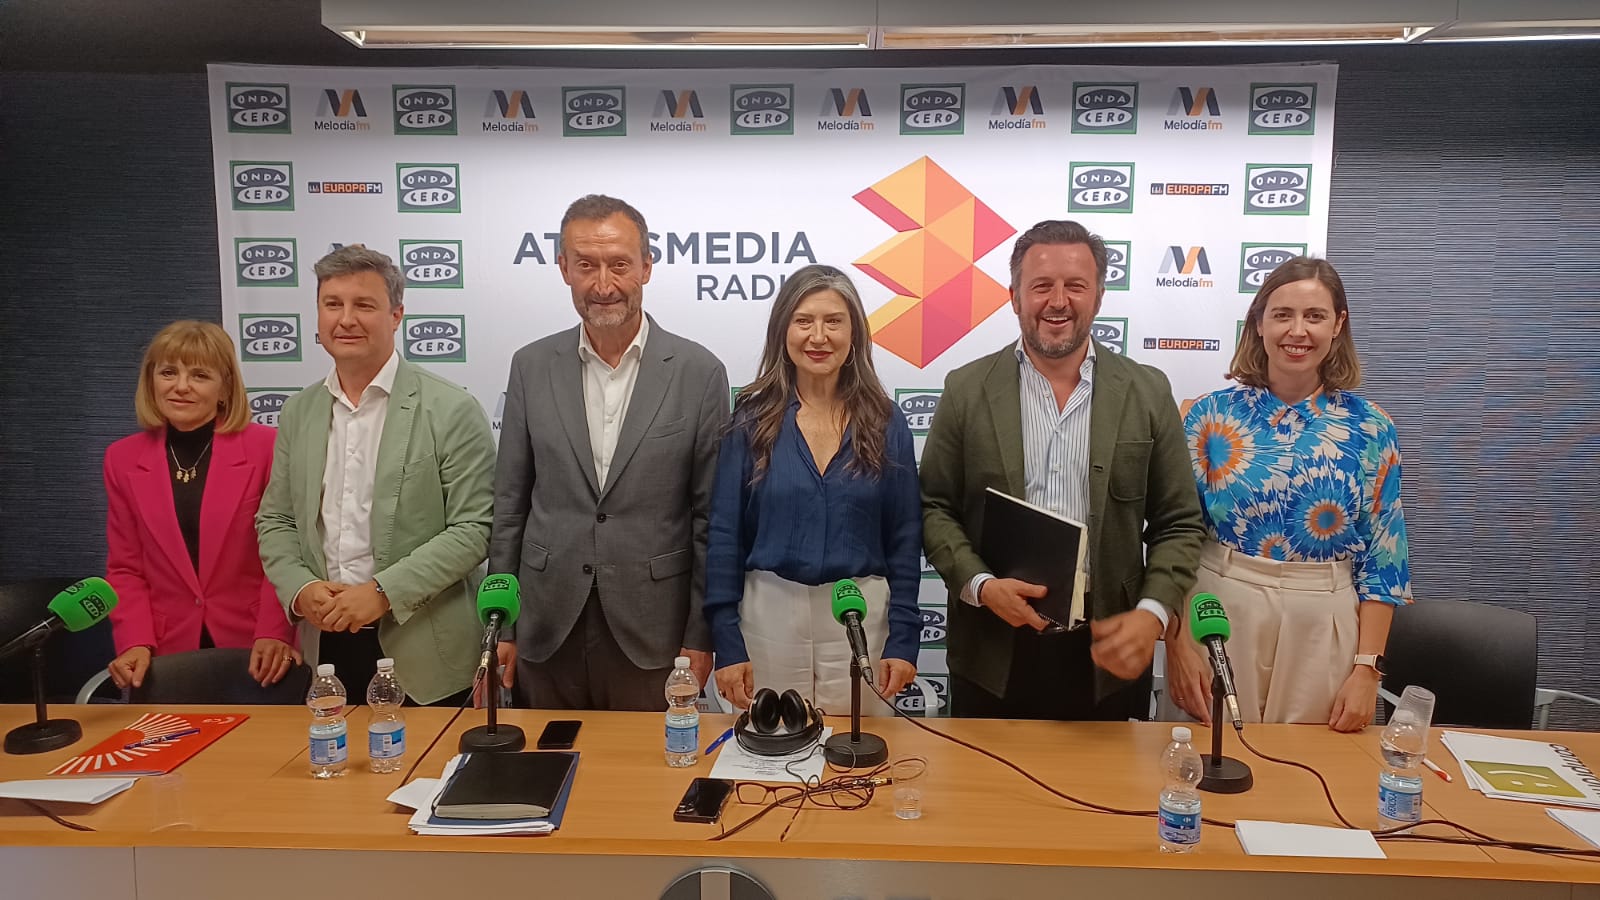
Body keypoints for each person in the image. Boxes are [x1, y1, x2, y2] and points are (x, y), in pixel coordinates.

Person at [921, 219, 1205, 720]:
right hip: (993, 647)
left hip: (1109, 651)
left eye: (1076, 285)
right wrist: (982, 585)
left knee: (1106, 796)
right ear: (1014, 296)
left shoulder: (1147, 390)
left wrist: (1153, 612)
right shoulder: (965, 389)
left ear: (1098, 296)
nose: (1058, 301)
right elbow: (934, 507)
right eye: (1041, 286)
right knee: (986, 796)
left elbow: (1179, 523)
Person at [490, 195, 730, 711]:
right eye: (586, 265)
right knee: (543, 772)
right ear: (563, 269)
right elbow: (509, 506)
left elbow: (711, 518)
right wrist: (501, 625)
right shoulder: (530, 366)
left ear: (646, 266)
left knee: (648, 781)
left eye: (619, 264)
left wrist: (701, 633)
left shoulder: (699, 372)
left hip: (654, 633)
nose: (603, 285)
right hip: (545, 626)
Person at [1165, 256, 1412, 732]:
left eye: (1315, 316)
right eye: (1282, 315)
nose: (1297, 331)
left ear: (1338, 325)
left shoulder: (1371, 427)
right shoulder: (1207, 417)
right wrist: (1176, 645)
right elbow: (1173, 536)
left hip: (1323, 618)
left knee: (1307, 775)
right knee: (1206, 759)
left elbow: (1384, 559)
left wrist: (1367, 669)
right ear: (1258, 323)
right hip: (1218, 606)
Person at [256, 244, 494, 705]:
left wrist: (384, 592)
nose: (346, 319)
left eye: (364, 305)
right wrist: (300, 589)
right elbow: (276, 521)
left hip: (426, 654)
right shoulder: (298, 412)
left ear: (396, 315)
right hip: (326, 647)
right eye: (333, 304)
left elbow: (474, 529)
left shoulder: (451, 409)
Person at [704, 265, 920, 715]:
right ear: (783, 330)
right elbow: (724, 534)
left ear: (854, 333)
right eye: (803, 321)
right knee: (767, 758)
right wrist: (726, 640)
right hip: (768, 619)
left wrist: (904, 638)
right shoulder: (750, 418)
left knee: (857, 759)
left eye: (833, 321)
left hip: (860, 616)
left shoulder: (885, 420)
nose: (817, 336)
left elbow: (904, 537)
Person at [103, 321, 299, 691]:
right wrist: (134, 640)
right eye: (168, 372)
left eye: (199, 375)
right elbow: (126, 568)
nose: (180, 386)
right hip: (166, 651)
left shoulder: (268, 448)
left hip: (259, 650)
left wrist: (275, 631)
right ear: (151, 381)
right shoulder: (122, 459)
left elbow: (287, 551)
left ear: (224, 387)